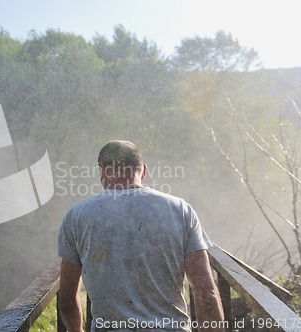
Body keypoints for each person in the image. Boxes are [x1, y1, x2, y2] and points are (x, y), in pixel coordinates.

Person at [57, 140, 224, 332]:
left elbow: (68, 299)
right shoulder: (180, 210)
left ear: (103, 170)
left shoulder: (77, 215)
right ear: (143, 170)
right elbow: (205, 292)